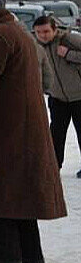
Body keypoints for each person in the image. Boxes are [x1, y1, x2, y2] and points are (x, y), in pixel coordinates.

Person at [0, 0, 67, 263]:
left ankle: (4, 252)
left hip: (4, 124)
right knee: (20, 186)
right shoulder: (15, 30)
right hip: (23, 122)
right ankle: (30, 251)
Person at [33, 15, 81, 176]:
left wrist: (69, 54)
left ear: (55, 30)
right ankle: (53, 167)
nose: (43, 35)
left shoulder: (69, 39)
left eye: (46, 31)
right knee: (56, 135)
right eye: (39, 32)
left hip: (79, 95)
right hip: (57, 97)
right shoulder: (35, 47)